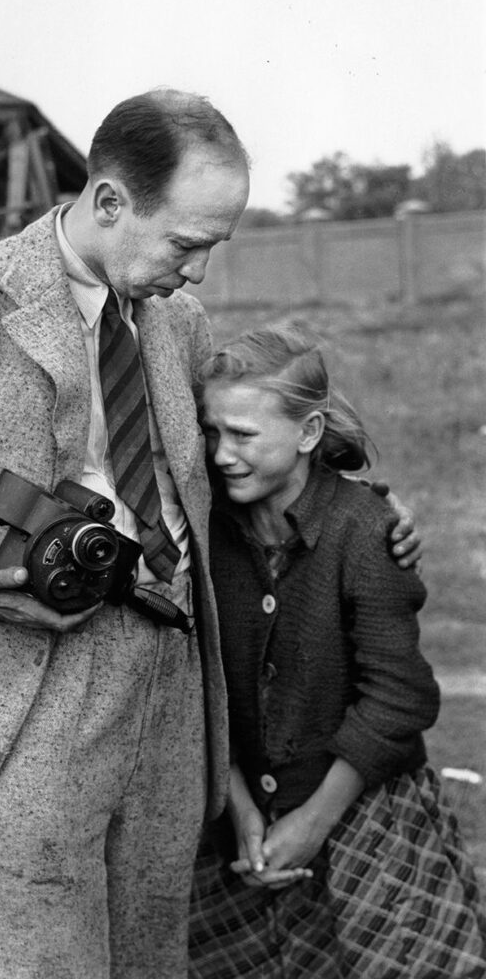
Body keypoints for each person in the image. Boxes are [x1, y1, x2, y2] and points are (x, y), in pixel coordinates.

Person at [0, 90, 419, 979]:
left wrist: (369, 505)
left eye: (214, 248)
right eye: (187, 243)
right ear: (109, 202)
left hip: (172, 684)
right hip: (23, 691)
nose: (199, 272)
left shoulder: (178, 320)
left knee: (155, 959)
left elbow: (253, 446)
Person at [189, 321, 486, 978]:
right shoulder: (202, 532)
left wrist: (313, 822)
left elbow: (399, 698)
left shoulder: (365, 532)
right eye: (211, 432)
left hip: (363, 819)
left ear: (309, 434)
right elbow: (195, 680)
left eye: (242, 435)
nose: (221, 453)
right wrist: (239, 808)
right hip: (242, 825)